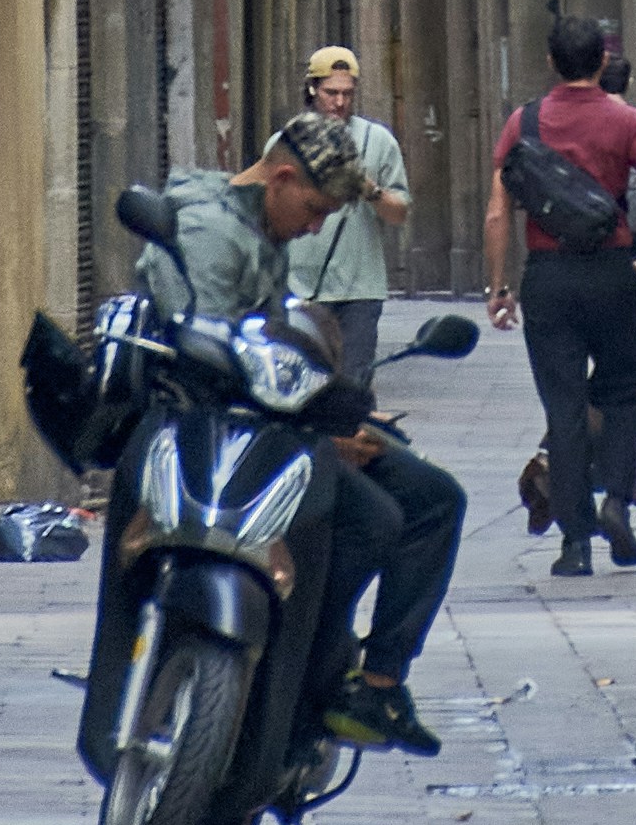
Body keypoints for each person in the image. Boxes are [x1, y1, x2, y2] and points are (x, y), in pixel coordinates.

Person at [136, 131, 465, 753]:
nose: (315, 228)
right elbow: (210, 362)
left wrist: (337, 416)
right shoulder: (210, 232)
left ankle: (376, 681)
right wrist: (322, 440)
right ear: (281, 177)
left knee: (433, 496)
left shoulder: (264, 234)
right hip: (221, 436)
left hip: (280, 423)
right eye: (313, 210)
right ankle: (302, 657)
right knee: (373, 518)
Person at [487, 10, 636, 581]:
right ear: (601, 62)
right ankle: (617, 502)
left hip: (549, 277)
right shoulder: (627, 121)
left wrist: (500, 286)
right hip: (613, 274)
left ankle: (575, 543)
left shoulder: (523, 122)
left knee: (564, 408)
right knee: (620, 393)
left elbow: (499, 210)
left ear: (551, 63)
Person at [278, 40, 411, 399]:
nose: (339, 102)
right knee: (300, 389)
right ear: (312, 89)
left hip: (360, 289)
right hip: (299, 286)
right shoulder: (286, 141)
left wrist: (369, 190)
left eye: (347, 94)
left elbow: (399, 212)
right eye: (330, 93)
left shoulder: (378, 141)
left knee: (352, 392)